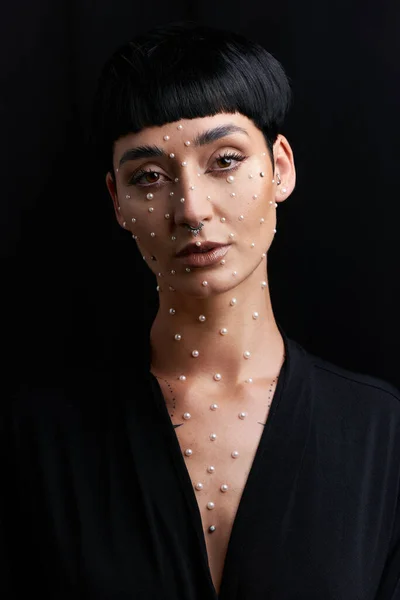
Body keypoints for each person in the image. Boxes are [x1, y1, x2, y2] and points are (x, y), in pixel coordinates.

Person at [2, 20, 400, 600]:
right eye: (150, 177)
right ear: (117, 199)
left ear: (280, 168)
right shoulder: (40, 439)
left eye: (225, 160)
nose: (190, 208)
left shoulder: (380, 436)